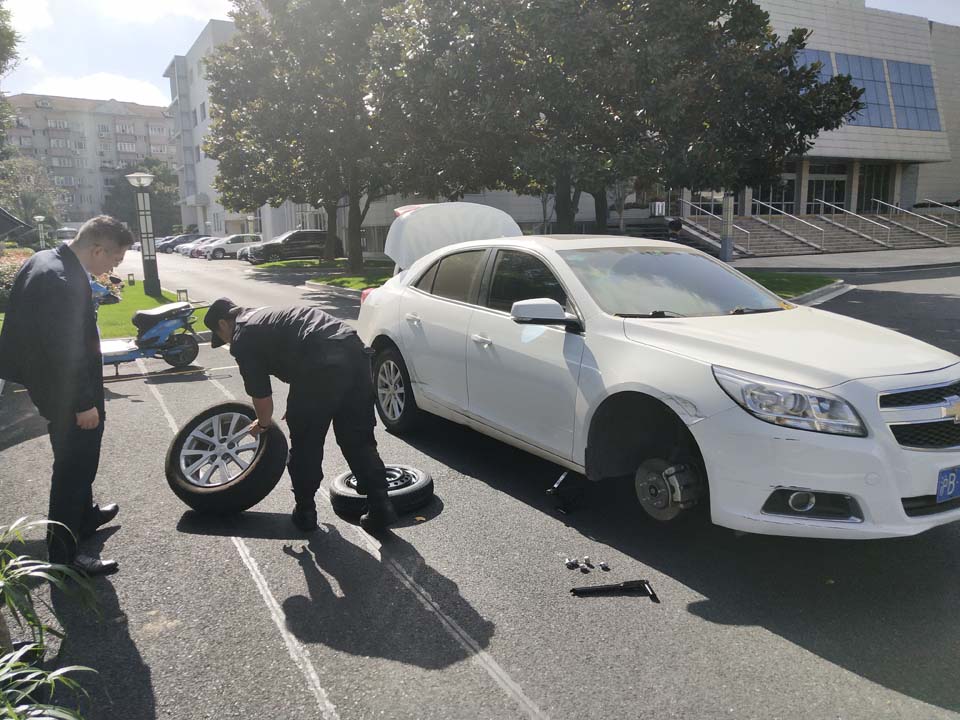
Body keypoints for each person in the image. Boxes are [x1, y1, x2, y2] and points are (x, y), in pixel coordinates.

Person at [0, 216, 133, 575]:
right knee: (73, 468)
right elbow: (65, 351)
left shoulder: (46, 259)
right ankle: (64, 555)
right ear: (97, 249)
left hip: (53, 384)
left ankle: (84, 516)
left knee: (77, 459)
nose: (113, 268)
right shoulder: (61, 281)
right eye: (115, 259)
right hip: (66, 391)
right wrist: (83, 403)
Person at [204, 298, 398, 533]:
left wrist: (262, 424)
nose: (225, 342)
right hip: (353, 351)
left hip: (319, 360)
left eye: (221, 336)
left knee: (306, 442)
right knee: (358, 438)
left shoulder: (243, 337)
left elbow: (261, 397)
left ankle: (305, 511)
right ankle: (381, 505)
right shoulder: (266, 314)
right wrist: (299, 403)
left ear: (223, 324)